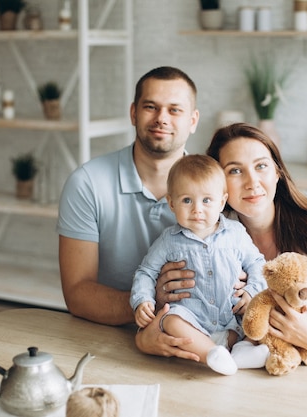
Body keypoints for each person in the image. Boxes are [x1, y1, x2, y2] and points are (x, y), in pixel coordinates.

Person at [158, 122, 307, 362]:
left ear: (277, 172)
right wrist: (162, 300)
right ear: (217, 181)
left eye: (261, 166)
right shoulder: (201, 236)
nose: (252, 182)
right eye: (235, 171)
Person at [57, 66, 201, 361]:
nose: (162, 118)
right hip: (105, 339)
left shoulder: (216, 186)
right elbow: (77, 293)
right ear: (134, 113)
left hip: (196, 338)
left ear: (193, 120)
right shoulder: (87, 183)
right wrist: (147, 303)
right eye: (151, 107)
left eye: (175, 110)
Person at [130, 154, 268, 375]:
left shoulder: (236, 233)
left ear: (222, 202)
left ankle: (242, 350)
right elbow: (146, 272)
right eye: (187, 200)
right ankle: (212, 354)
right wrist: (142, 300)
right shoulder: (168, 240)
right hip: (191, 321)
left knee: (259, 314)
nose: (197, 210)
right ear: (171, 203)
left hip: (230, 318)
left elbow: (258, 264)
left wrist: (252, 290)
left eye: (206, 200)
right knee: (169, 319)